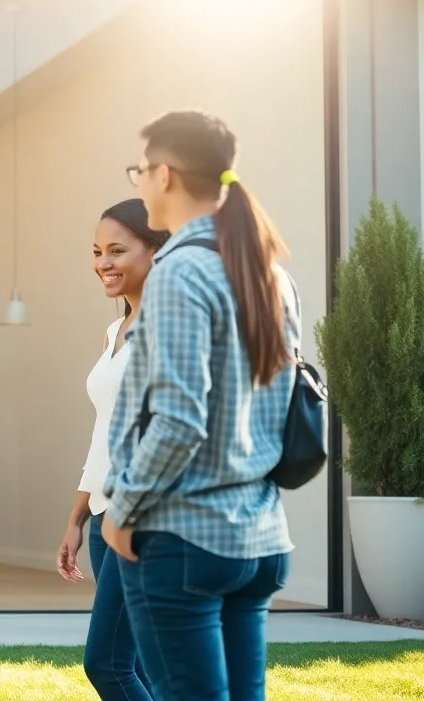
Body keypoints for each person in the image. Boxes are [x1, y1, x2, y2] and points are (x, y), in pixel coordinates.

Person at [103, 110, 297, 701]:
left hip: (185, 539)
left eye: (140, 170)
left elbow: (180, 419)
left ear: (164, 175)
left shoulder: (180, 271)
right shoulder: (268, 270)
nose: (139, 182)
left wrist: (122, 509)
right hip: (259, 536)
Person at [56, 198, 166, 701]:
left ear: (156, 248)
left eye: (117, 250)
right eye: (97, 251)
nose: (103, 262)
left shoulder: (168, 330)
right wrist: (77, 518)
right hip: (104, 518)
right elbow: (104, 433)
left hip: (142, 520)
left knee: (107, 663)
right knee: (137, 664)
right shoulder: (114, 331)